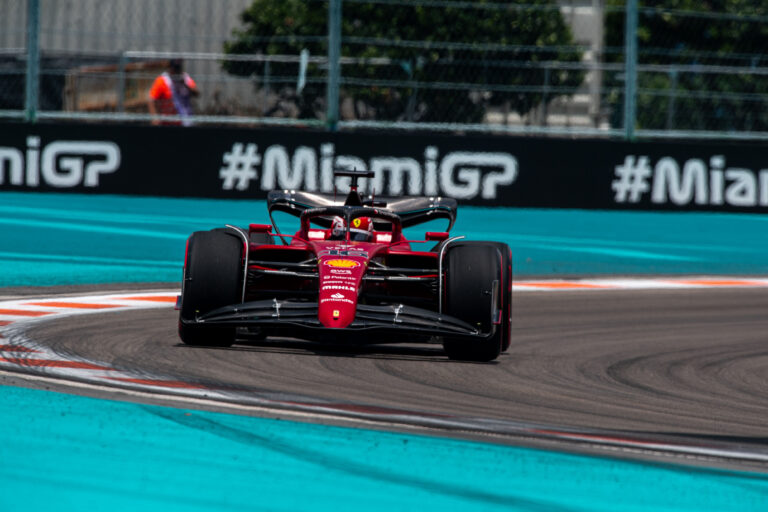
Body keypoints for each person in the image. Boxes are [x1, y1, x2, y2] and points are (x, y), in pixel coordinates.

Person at [148, 59, 198, 126]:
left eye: (178, 69)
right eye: (175, 69)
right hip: (169, 122)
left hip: (186, 121)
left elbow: (196, 93)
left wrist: (184, 84)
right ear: (170, 69)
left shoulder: (185, 78)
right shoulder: (163, 80)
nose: (177, 72)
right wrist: (155, 117)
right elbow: (151, 99)